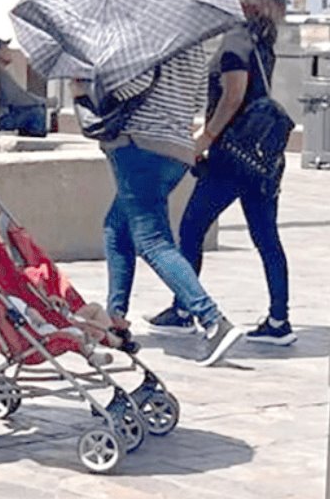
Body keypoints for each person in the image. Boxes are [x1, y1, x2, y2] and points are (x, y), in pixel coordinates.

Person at [144, 0, 296, 345]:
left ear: (238, 0)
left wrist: (205, 138)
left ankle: (184, 309)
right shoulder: (261, 38)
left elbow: (233, 98)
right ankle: (279, 320)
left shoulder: (234, 43)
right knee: (266, 236)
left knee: (192, 227)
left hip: (232, 157)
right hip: (262, 157)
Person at [77, 41, 244, 367]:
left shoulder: (144, 34)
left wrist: (86, 84)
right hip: (177, 148)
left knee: (153, 240)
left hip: (140, 146)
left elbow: (131, 86)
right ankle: (116, 317)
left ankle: (213, 321)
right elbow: (197, 98)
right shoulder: (193, 39)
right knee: (117, 227)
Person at [0, 36, 49, 137]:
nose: (9, 51)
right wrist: (44, 101)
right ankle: (34, 145)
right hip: (1, 119)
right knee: (36, 112)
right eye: (5, 48)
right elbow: (17, 97)